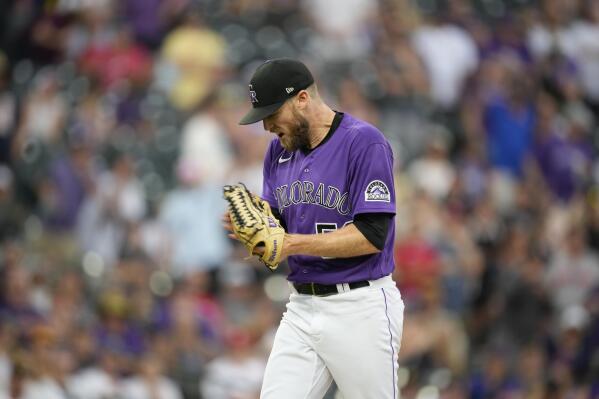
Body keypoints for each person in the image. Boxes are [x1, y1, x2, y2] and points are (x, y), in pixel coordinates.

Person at [225, 58, 405, 398]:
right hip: (302, 306)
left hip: (360, 306)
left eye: (272, 115)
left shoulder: (364, 143)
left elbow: (372, 236)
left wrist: (290, 243)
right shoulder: (277, 152)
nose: (266, 127)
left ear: (302, 99)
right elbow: (278, 234)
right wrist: (255, 230)